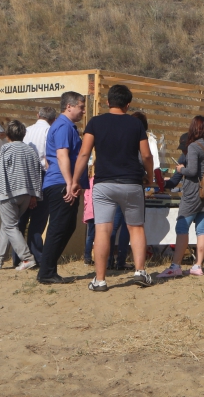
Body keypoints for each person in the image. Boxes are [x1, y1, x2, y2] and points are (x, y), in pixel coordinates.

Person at [71, 84, 154, 291]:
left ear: (108, 102)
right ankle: (140, 271)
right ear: (128, 105)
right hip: (131, 183)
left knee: (102, 230)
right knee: (136, 228)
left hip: (103, 184)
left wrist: (75, 180)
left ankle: (100, 280)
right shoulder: (136, 124)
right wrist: (150, 177)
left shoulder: (95, 122)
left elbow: (84, 153)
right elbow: (146, 155)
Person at [158, 116, 204, 279]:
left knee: (182, 227)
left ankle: (176, 266)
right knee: (202, 229)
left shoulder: (193, 147)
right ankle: (198, 266)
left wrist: (180, 169)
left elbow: (191, 171)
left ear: (193, 129)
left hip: (193, 194)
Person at [36, 91, 88, 285]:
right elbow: (61, 155)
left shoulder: (66, 126)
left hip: (61, 182)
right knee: (59, 227)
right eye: (81, 107)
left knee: (67, 226)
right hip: (61, 183)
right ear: (69, 106)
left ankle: (48, 269)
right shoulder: (63, 126)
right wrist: (69, 182)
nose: (83, 111)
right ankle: (46, 272)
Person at [0, 120, 43, 271]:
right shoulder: (30, 150)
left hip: (9, 192)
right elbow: (36, 173)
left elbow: (0, 170)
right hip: (26, 194)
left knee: (10, 226)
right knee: (7, 226)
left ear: (8, 135)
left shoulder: (6, 149)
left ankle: (27, 258)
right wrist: (34, 195)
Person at [13, 106, 56, 267]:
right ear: (53, 119)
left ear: (38, 115)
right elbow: (49, 158)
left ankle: (18, 256)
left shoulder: (27, 131)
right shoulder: (50, 131)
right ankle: (37, 256)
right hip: (42, 175)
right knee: (38, 220)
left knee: (21, 219)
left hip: (23, 176)